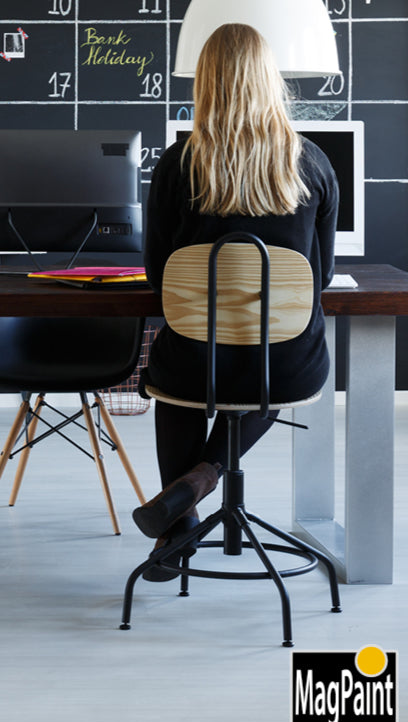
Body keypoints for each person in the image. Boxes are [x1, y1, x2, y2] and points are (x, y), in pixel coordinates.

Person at [132, 23, 338, 580]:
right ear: (269, 80)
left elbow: (158, 275)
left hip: (196, 358)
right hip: (286, 363)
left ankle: (177, 530)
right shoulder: (312, 162)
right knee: (275, 363)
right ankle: (205, 476)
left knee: (172, 387)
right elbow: (320, 279)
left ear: (206, 83)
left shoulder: (178, 165)